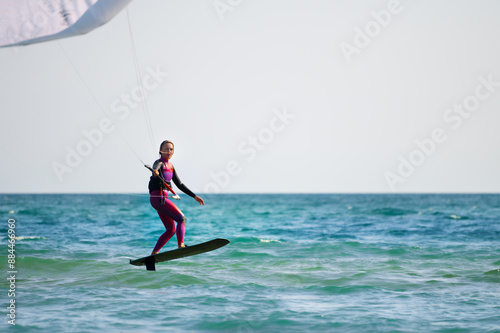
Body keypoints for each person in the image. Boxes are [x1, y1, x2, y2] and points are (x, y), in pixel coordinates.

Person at [148, 140, 204, 255]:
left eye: (171, 149)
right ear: (160, 150)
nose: (169, 151)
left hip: (163, 199)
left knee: (171, 229)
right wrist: (155, 172)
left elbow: (179, 184)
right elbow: (156, 167)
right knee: (181, 219)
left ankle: (154, 253)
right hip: (159, 198)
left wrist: (194, 196)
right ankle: (181, 245)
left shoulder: (171, 166)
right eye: (167, 149)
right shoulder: (159, 163)